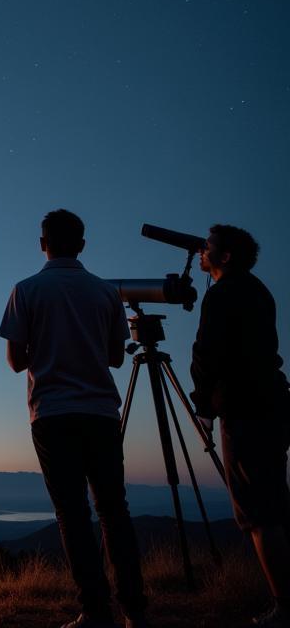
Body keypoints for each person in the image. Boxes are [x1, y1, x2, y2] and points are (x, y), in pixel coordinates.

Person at [0, 210, 148, 628]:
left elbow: (15, 362)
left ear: (41, 243)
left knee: (72, 514)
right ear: (82, 244)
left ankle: (95, 610)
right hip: (100, 412)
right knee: (114, 511)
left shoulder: (26, 290)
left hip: (52, 413)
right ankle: (135, 610)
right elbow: (117, 357)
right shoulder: (104, 293)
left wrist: (47, 353)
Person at [192, 224, 290, 628]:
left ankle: (285, 607)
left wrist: (203, 406)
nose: (202, 252)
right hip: (273, 404)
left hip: (245, 412)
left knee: (257, 514)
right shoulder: (258, 290)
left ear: (225, 257)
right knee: (275, 507)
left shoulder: (223, 294)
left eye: (208, 248)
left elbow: (207, 352)